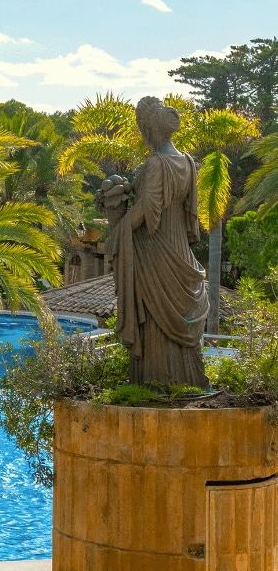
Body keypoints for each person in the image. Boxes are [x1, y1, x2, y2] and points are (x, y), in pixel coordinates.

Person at [97, 96, 209, 388]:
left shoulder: (157, 163)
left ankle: (157, 381)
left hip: (156, 247)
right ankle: (184, 380)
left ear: (147, 129)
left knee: (155, 315)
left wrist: (118, 231)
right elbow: (187, 212)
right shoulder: (187, 161)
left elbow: (147, 207)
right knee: (170, 313)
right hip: (179, 250)